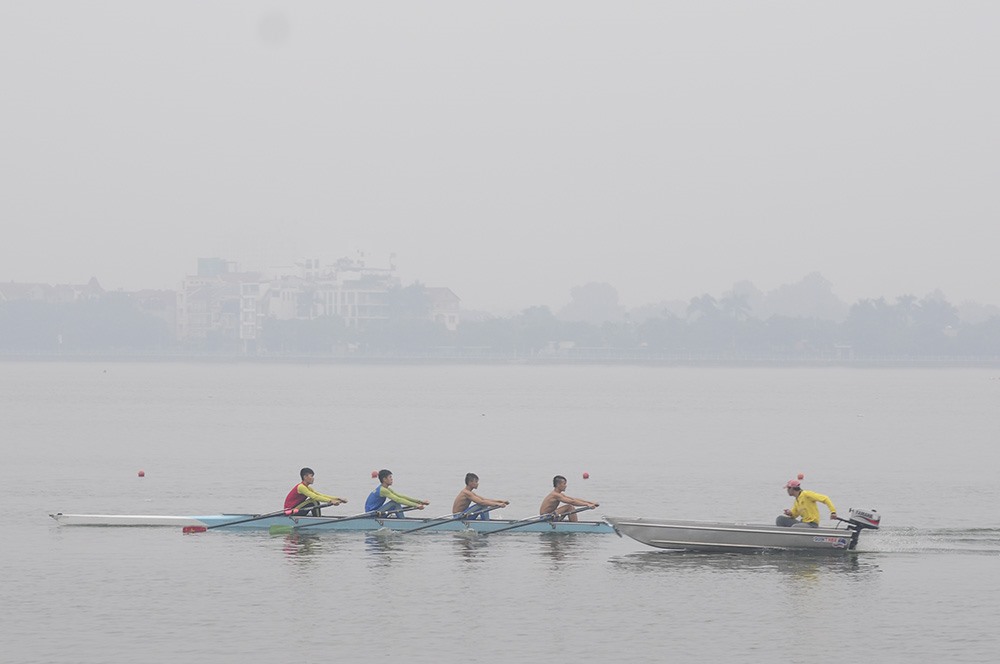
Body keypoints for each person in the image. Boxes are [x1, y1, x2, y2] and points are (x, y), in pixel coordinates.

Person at [365, 469, 429, 518]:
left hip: (376, 512)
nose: (392, 479)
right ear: (384, 479)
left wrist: (420, 502)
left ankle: (402, 520)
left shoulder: (386, 489)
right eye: (390, 477)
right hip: (372, 514)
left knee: (396, 503)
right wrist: (416, 505)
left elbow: (400, 496)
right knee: (394, 503)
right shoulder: (383, 490)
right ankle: (403, 523)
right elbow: (398, 500)